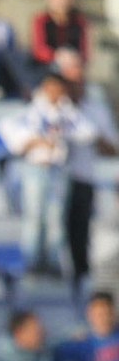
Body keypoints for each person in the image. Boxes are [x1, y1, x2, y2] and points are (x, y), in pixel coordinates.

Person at [0, 72, 96, 276]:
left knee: (55, 218)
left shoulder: (66, 112)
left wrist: (65, 113)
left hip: (59, 169)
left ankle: (52, 262)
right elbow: (9, 130)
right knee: (34, 217)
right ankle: (31, 262)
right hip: (36, 167)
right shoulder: (32, 111)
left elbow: (88, 131)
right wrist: (35, 140)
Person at [52, 50, 117, 284]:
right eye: (69, 72)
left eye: (78, 70)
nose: (75, 77)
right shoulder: (50, 105)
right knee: (54, 229)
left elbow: (112, 146)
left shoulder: (96, 107)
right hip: (55, 179)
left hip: (84, 177)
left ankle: (81, 278)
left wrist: (93, 137)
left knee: (81, 233)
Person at [28, 0, 87, 72]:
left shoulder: (79, 21)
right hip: (46, 70)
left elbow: (84, 53)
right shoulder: (41, 20)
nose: (62, 0)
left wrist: (73, 59)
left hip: (73, 69)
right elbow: (38, 50)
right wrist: (56, 56)